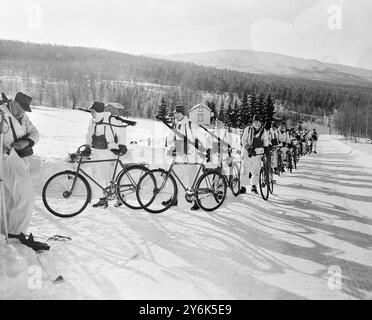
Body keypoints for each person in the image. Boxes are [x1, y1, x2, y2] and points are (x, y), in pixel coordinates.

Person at [0, 92, 48, 251]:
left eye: (24, 110)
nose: (21, 113)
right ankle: (15, 235)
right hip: (7, 160)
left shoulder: (23, 117)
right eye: (20, 108)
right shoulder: (2, 114)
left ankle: (5, 233)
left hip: (21, 159)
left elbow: (35, 133)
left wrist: (27, 141)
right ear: (13, 102)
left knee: (9, 199)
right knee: (26, 196)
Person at [164, 105, 208, 210]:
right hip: (178, 157)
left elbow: (203, 139)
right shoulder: (175, 124)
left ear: (182, 113)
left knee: (192, 179)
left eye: (177, 113)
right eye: (174, 113)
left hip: (190, 158)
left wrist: (203, 149)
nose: (175, 114)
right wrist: (170, 148)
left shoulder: (191, 124)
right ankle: (174, 199)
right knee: (174, 177)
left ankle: (197, 202)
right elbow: (170, 139)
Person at [84, 101, 123, 208]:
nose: (91, 112)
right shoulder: (92, 121)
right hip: (96, 153)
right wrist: (87, 146)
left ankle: (120, 197)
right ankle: (102, 199)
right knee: (97, 177)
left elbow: (120, 131)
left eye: (92, 110)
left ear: (96, 110)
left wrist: (122, 145)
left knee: (110, 177)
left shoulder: (110, 120)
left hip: (108, 153)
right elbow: (89, 135)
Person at [240, 114, 270, 194]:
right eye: (255, 121)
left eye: (257, 121)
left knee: (256, 171)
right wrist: (249, 149)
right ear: (253, 122)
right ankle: (243, 187)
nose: (256, 123)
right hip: (248, 153)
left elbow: (265, 141)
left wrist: (266, 148)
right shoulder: (248, 129)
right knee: (245, 170)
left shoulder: (263, 131)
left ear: (260, 122)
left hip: (258, 154)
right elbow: (243, 140)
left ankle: (254, 186)